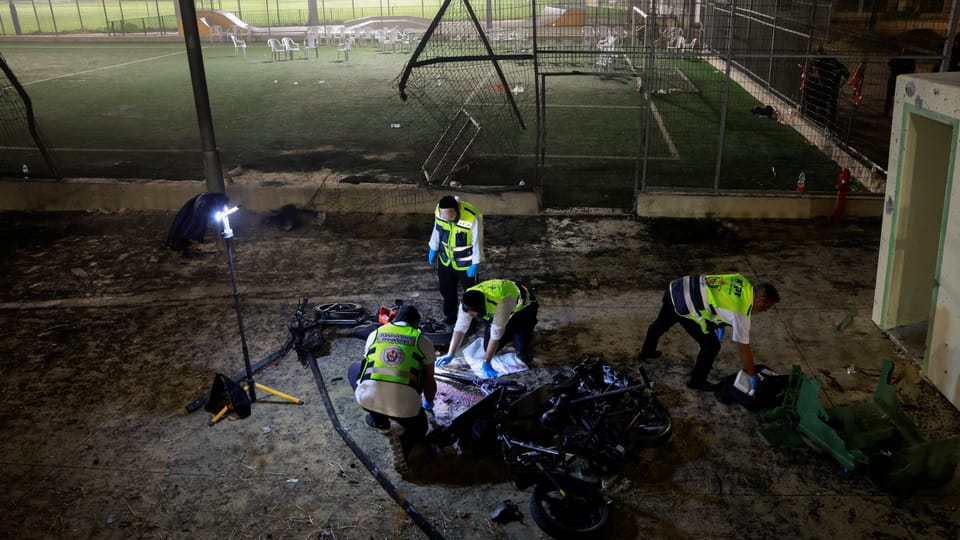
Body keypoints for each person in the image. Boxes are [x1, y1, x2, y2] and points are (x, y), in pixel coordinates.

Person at [637, 274, 779, 392]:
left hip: (676, 287)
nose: (765, 311)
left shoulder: (740, 280)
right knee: (711, 346)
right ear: (760, 301)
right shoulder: (741, 314)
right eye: (767, 307)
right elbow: (743, 350)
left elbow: (716, 291)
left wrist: (719, 321)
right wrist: (752, 375)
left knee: (662, 322)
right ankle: (696, 382)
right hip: (685, 304)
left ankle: (646, 351)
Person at [348, 305, 437, 459]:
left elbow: (369, 365)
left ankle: (379, 421)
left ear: (394, 319)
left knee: (355, 369)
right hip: (406, 409)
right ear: (416, 323)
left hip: (367, 399)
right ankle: (406, 439)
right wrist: (428, 401)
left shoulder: (375, 333)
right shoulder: (421, 339)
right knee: (421, 429)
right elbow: (430, 379)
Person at [435, 279, 538, 379]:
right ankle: (508, 330)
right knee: (487, 348)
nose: (470, 316)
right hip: (496, 307)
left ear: (481, 309)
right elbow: (460, 328)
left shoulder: (502, 304)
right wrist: (450, 353)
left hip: (524, 307)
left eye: (472, 314)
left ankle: (518, 332)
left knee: (521, 347)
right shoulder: (467, 301)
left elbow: (495, 336)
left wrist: (486, 362)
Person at [428, 195, 483, 324]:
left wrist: (476, 262)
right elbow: (437, 230)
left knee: (471, 294)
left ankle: (472, 321)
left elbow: (478, 241)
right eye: (445, 217)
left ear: (457, 209)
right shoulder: (439, 212)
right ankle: (451, 315)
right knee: (447, 290)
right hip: (445, 259)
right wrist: (433, 248)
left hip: (466, 264)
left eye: (451, 217)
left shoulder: (472, 217)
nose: (449, 220)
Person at [885, 53, 915, 117]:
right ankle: (894, 112)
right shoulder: (909, 60)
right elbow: (912, 69)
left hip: (896, 79)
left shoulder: (898, 58)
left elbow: (889, 64)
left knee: (891, 96)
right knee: (898, 97)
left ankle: (888, 111)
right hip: (901, 81)